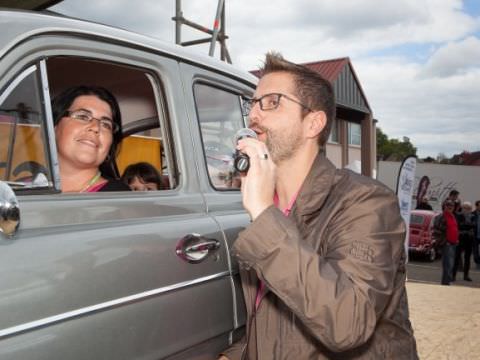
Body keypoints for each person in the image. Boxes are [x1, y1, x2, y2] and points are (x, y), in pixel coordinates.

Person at [219, 52, 418, 359]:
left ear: (313, 123)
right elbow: (272, 317)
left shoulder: (366, 202)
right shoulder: (267, 210)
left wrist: (261, 214)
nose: (254, 116)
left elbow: (348, 322)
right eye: (252, 103)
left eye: (271, 102)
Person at [52, 85, 130, 192]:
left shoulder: (118, 198)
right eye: (82, 116)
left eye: (106, 124)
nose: (95, 127)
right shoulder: (25, 188)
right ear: (54, 127)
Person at [433, 200, 459, 285]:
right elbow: (436, 230)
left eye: (451, 206)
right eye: (448, 205)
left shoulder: (452, 216)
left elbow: (454, 229)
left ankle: (447, 281)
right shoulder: (441, 216)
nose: (450, 207)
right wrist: (443, 241)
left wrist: (456, 239)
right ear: (444, 206)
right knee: (448, 264)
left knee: (451, 264)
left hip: (453, 243)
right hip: (447, 243)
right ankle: (446, 282)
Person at [453, 201, 475, 281]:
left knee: (467, 258)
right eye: (465, 208)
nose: (467, 210)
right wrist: (468, 225)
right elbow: (459, 225)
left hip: (469, 239)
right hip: (460, 238)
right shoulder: (458, 215)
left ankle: (466, 275)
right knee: (456, 257)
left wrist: (466, 225)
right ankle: (453, 275)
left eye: (469, 208)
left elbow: (474, 225)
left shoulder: (473, 216)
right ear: (462, 208)